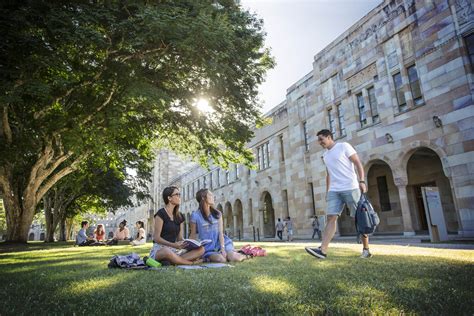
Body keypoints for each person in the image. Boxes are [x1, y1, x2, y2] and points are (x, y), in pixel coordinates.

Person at [305, 129, 371, 259]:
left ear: (329, 137)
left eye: (321, 139)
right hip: (334, 190)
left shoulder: (343, 146)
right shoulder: (325, 155)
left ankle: (366, 249)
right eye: (318, 140)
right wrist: (328, 191)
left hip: (350, 188)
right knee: (331, 218)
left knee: (360, 218)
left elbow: (357, 163)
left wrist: (362, 181)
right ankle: (322, 251)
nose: (319, 142)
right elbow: (329, 174)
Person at [149, 186, 204, 265]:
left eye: (179, 194)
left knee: (201, 249)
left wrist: (189, 244)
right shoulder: (161, 214)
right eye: (177, 194)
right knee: (166, 251)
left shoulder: (180, 216)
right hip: (161, 249)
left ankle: (172, 261)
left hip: (174, 250)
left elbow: (180, 238)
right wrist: (173, 245)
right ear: (169, 198)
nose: (179, 197)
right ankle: (191, 263)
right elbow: (156, 238)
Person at [190, 188, 249, 263]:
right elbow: (193, 236)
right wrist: (193, 252)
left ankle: (246, 255)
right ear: (203, 197)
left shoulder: (217, 214)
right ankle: (207, 258)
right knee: (221, 259)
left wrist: (223, 249)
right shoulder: (195, 216)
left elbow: (221, 233)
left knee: (233, 258)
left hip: (222, 243)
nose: (213, 196)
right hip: (207, 248)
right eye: (210, 195)